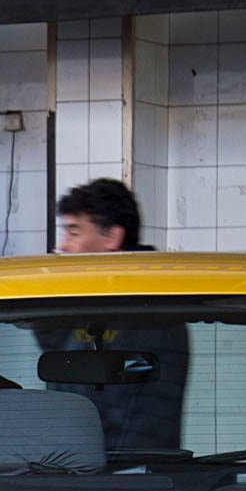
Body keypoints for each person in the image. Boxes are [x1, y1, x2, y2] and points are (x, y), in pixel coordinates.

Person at [43, 178, 187, 452]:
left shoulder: (148, 310)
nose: (63, 246)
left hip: (125, 479)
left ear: (111, 237)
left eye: (74, 233)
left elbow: (132, 413)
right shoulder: (92, 304)